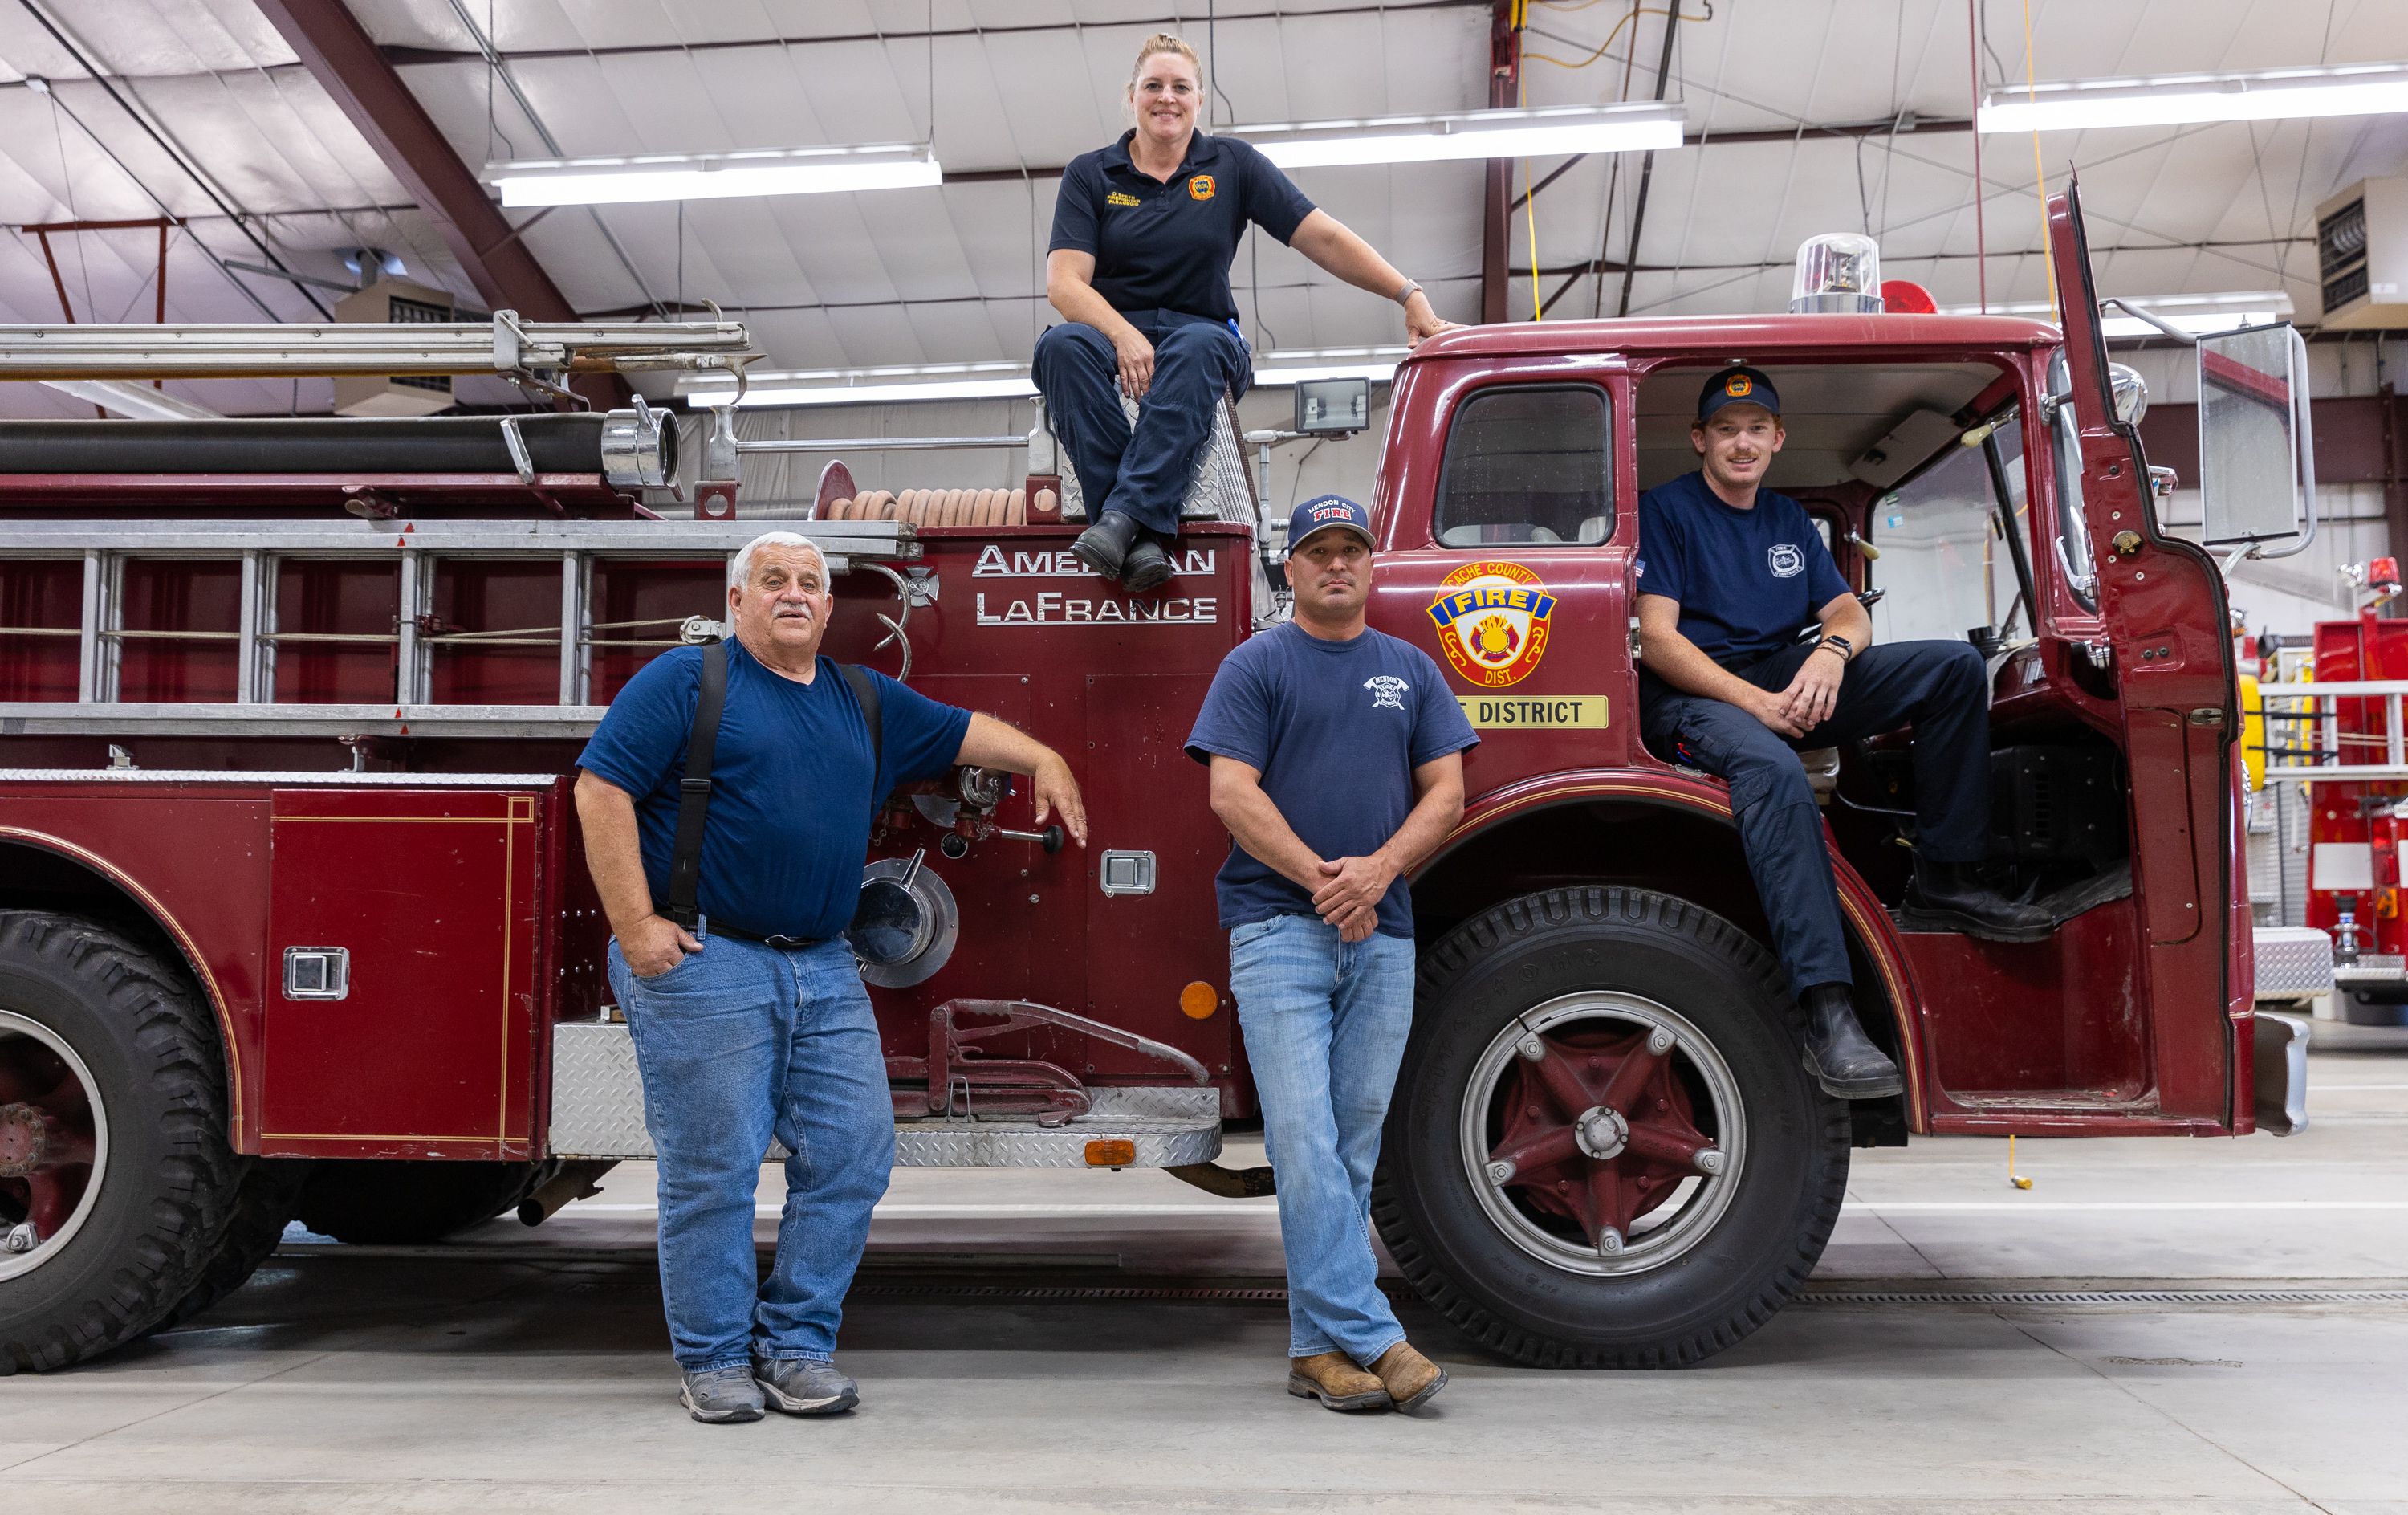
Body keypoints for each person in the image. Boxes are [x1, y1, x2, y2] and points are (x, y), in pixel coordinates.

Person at [574, 531, 1088, 1424]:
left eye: (810, 583)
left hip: (821, 963)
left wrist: (1046, 758)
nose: (795, 595)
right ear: (737, 603)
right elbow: (600, 789)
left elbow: (966, 732)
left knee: (854, 1151)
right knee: (715, 1173)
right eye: (772, 581)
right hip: (707, 960)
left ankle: (798, 1347)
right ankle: (714, 1361)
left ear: (827, 604)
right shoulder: (687, 682)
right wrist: (636, 925)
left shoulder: (862, 697)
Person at [1634, 369, 2051, 1100]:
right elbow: (1660, 642)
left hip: (1783, 672)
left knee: (1954, 669)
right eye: (1726, 429)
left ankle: (1947, 878)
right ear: (1701, 439)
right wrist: (1760, 706)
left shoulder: (1790, 522)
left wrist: (1830, 655)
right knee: (1776, 773)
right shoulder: (1665, 512)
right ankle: (1828, 1011)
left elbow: (1847, 613)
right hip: (1694, 696)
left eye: (1756, 428)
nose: (1743, 442)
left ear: (1777, 439)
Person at [1184, 495, 1477, 1414]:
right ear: (1292, 568)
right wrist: (1324, 879)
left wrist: (1378, 872)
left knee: (1351, 1150)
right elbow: (1231, 793)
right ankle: (1378, 1339)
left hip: (1382, 940)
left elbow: (1449, 792)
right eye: (1319, 552)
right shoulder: (1256, 664)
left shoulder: (1411, 670)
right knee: (1303, 1140)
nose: (1337, 565)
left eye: (1352, 550)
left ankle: (1317, 1351)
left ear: (1371, 565)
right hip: (1280, 933)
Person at [1039, 32, 1455, 593]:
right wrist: (1122, 332)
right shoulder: (1091, 175)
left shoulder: (1232, 165)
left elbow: (1324, 237)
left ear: (1199, 100)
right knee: (1059, 347)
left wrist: (1409, 294)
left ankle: (1117, 519)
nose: (1167, 97)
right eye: (1153, 86)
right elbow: (1065, 284)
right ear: (1131, 97)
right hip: (1113, 332)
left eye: (1181, 87)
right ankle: (1138, 535)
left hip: (1203, 335)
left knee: (1196, 346)